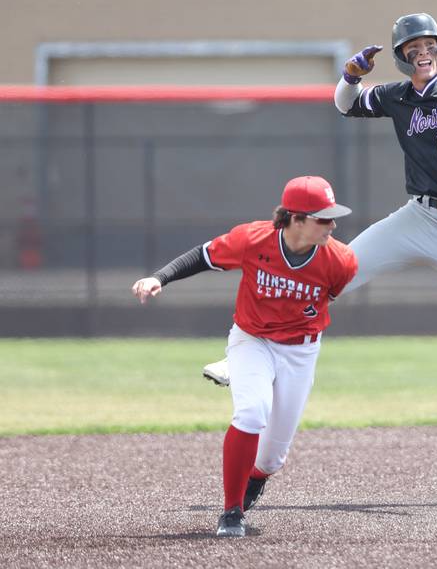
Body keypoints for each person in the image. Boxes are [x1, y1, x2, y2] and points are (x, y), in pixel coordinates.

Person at [202, 12, 437, 500]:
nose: (421, 52)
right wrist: (350, 75)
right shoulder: (397, 96)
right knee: (328, 274)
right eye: (411, 47)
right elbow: (344, 105)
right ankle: (245, 354)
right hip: (418, 218)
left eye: (428, 44)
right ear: (401, 57)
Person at [132, 175, 357, 537]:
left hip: (300, 351)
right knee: (252, 412)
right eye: (323, 218)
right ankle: (231, 512)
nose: (333, 224)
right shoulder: (253, 240)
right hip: (252, 340)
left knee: (272, 458)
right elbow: (203, 256)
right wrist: (161, 277)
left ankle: (257, 475)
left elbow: (329, 295)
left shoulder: (341, 261)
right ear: (295, 218)